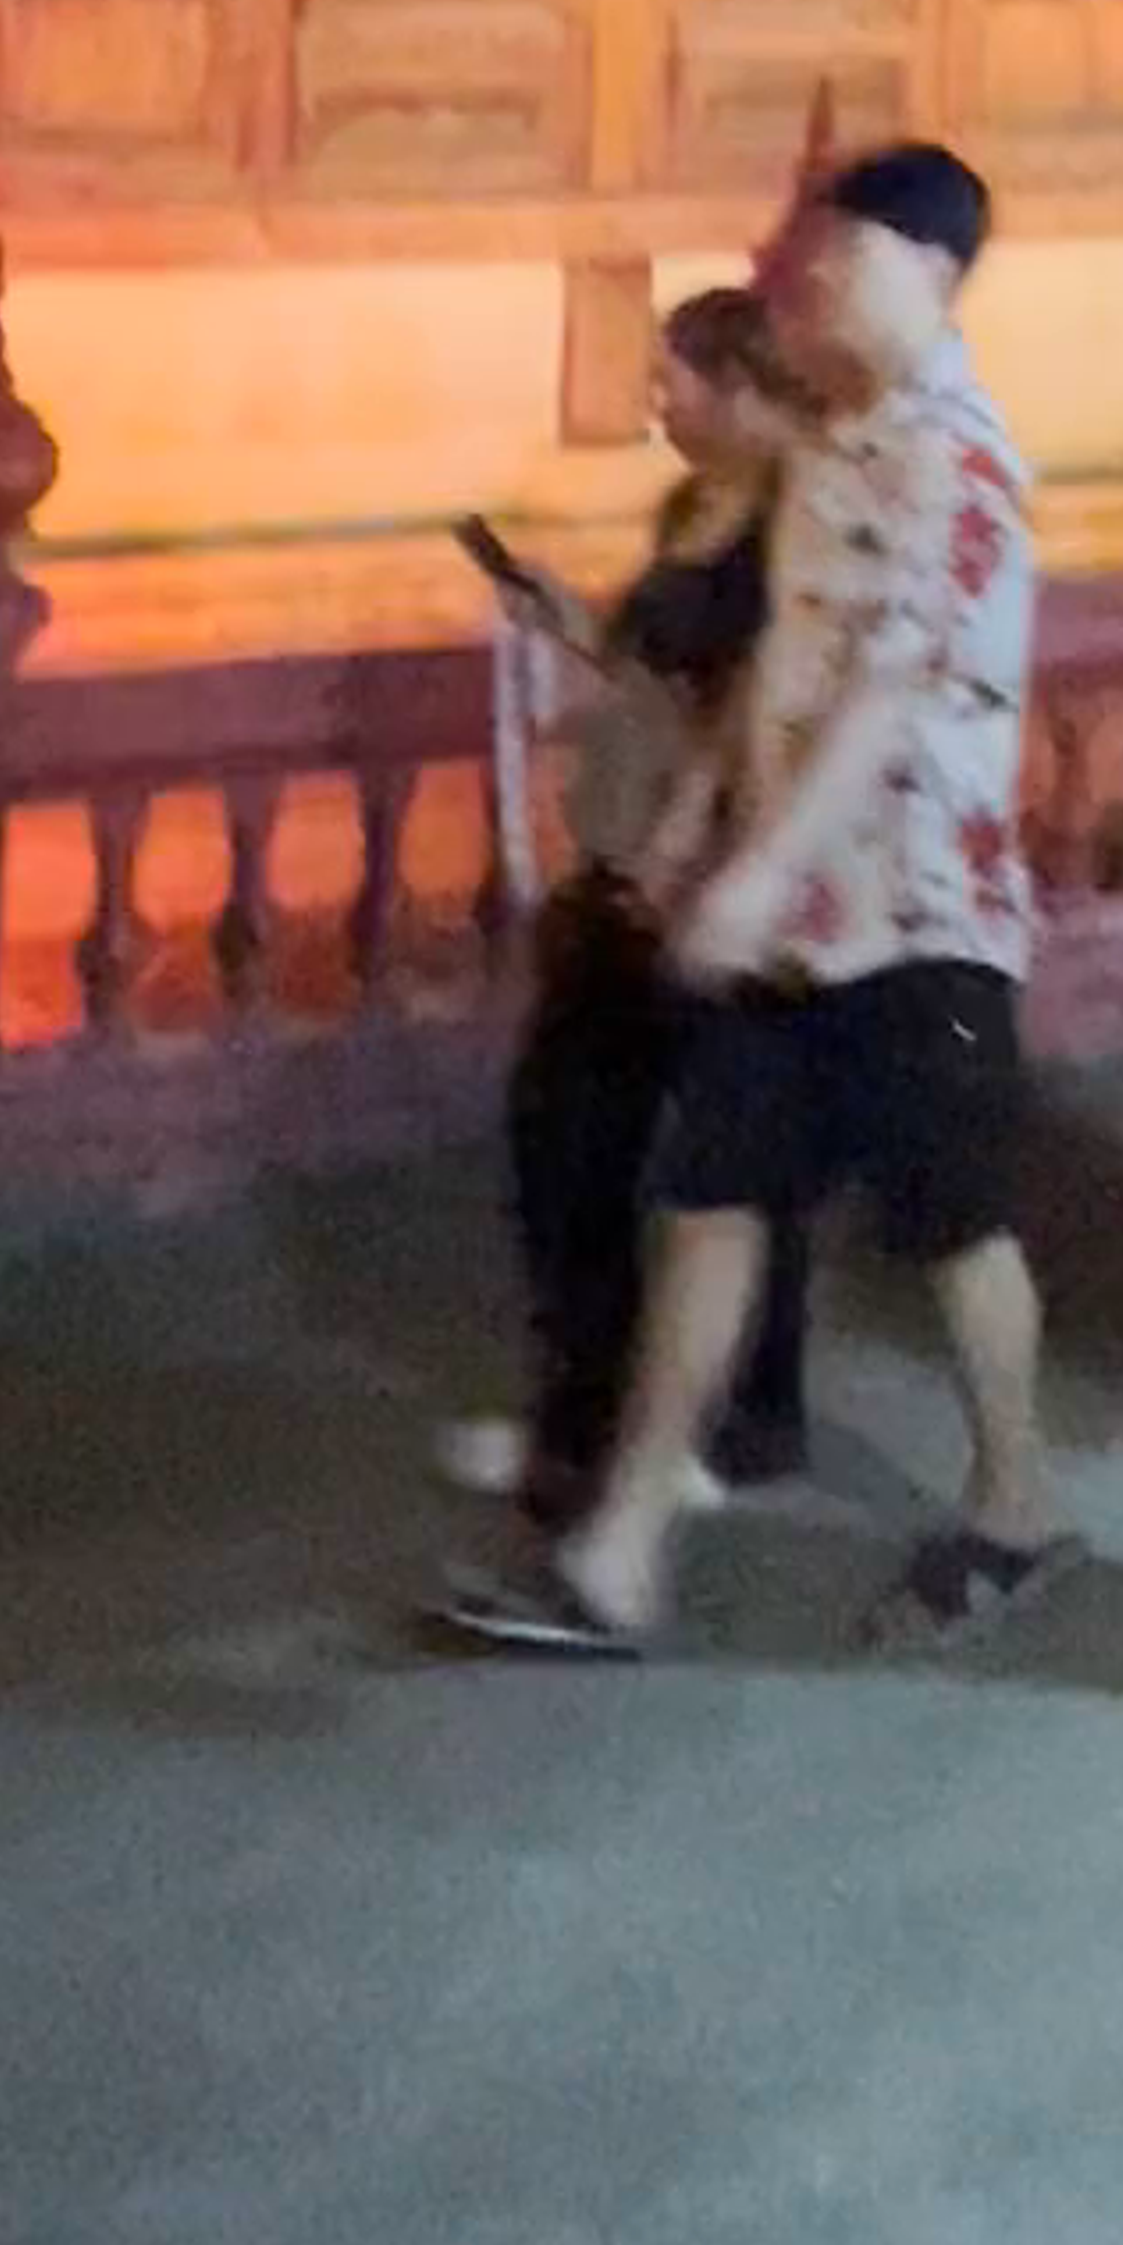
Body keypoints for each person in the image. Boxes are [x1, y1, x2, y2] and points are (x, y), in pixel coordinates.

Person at [442, 141, 1055, 1661]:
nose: (808, 284)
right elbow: (776, 673)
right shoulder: (833, 448)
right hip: (787, 924)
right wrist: (703, 830)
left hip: (917, 916)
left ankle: (1015, 1497)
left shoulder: (959, 458)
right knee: (710, 1207)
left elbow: (897, 685)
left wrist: (761, 863)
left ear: (930, 266)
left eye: (836, 259)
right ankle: (621, 1556)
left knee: (957, 1227)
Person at [441, 285, 814, 1528]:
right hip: (624, 867)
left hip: (718, 878)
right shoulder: (686, 510)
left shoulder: (796, 530)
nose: (659, 401)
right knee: (564, 1141)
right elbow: (649, 668)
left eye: (678, 381)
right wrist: (570, 621)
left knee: (732, 1171)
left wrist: (696, 843)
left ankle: (737, 1419)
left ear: (745, 385)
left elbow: (760, 707)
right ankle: (583, 1410)